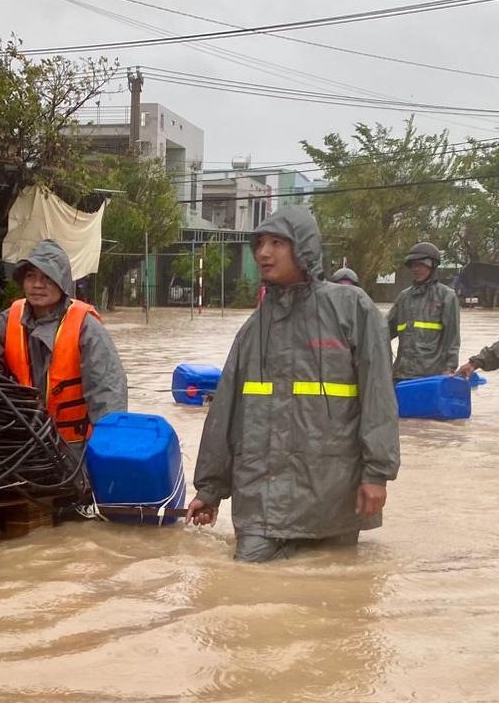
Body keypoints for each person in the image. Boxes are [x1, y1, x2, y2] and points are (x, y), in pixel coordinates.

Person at [186, 205, 400, 563]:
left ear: (303, 247)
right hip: (261, 500)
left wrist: (377, 474)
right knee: (247, 590)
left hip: (334, 493)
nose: (263, 253)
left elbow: (379, 398)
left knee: (334, 597)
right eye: (259, 244)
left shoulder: (352, 309)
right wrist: (210, 489)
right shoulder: (254, 328)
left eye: (276, 243)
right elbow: (225, 410)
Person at [0, 239, 127, 450]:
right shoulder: (6, 321)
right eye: (31, 276)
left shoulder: (86, 328)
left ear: (63, 283)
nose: (37, 285)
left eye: (47, 277)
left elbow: (108, 393)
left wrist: (111, 452)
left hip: (75, 448)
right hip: (22, 443)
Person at [387, 242, 460, 380]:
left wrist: (450, 368)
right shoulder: (403, 297)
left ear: (433, 266)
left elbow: (452, 338)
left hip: (431, 376)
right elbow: (383, 331)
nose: (416, 269)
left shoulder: (447, 296)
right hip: (401, 375)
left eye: (420, 265)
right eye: (413, 265)